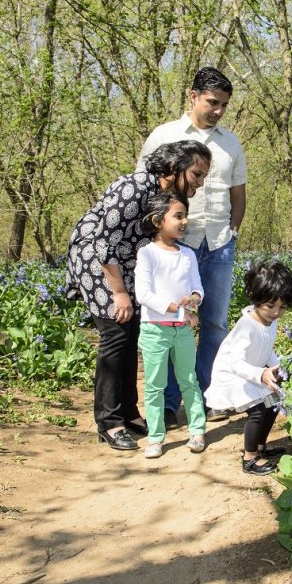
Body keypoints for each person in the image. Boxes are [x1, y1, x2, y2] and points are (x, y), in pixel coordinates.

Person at [66, 140, 211, 450]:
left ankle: (129, 413)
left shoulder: (163, 196)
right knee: (116, 334)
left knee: (131, 333)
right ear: (174, 169)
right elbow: (103, 243)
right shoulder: (133, 187)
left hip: (125, 262)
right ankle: (109, 422)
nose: (200, 183)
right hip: (96, 261)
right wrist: (118, 292)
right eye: (197, 174)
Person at [136, 67, 246, 429]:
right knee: (171, 322)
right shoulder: (164, 135)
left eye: (224, 105)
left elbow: (238, 193)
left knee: (214, 322)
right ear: (193, 95)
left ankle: (206, 395)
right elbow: (145, 186)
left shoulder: (231, 143)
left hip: (217, 244)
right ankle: (168, 404)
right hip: (175, 243)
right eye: (212, 102)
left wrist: (232, 230)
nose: (217, 110)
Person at [205, 260, 292, 476]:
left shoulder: (270, 321)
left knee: (273, 403)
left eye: (282, 307)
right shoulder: (246, 325)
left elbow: (267, 348)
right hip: (234, 375)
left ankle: (261, 447)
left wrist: (278, 366)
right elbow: (235, 362)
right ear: (256, 299)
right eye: (270, 306)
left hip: (254, 371)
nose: (276, 313)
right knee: (256, 410)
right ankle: (249, 458)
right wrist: (261, 373)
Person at [134, 192, 208, 458]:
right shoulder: (147, 254)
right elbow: (143, 294)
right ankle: (155, 438)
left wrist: (195, 300)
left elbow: (197, 287)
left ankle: (197, 431)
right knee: (155, 385)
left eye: (185, 215)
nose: (184, 221)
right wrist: (174, 307)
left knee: (189, 381)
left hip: (184, 331)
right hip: (155, 330)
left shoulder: (187, 254)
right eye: (178, 216)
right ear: (157, 220)